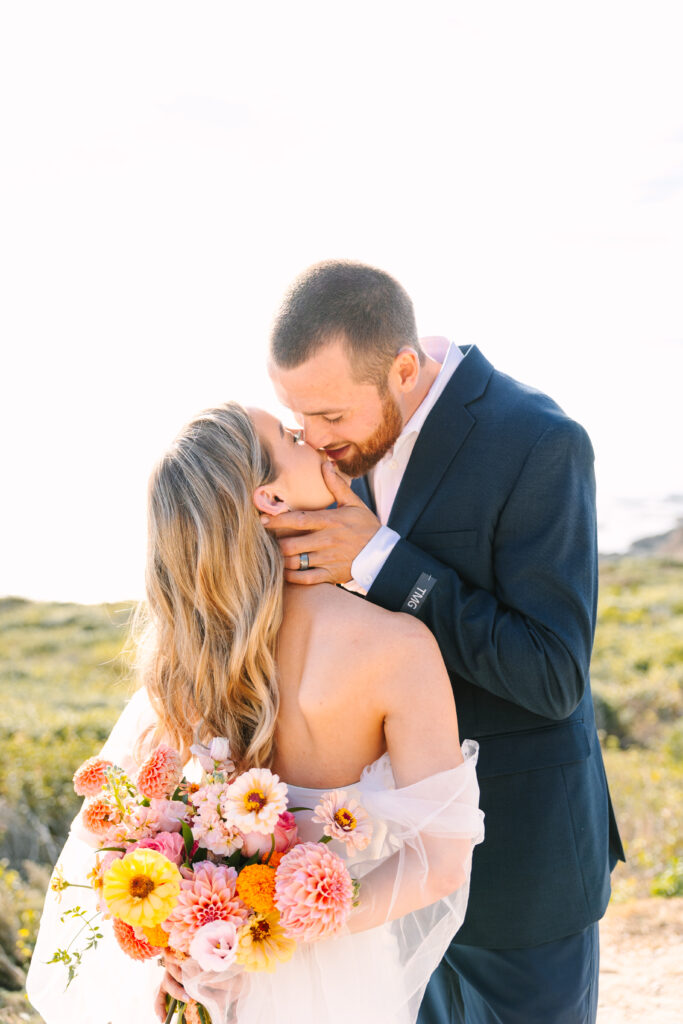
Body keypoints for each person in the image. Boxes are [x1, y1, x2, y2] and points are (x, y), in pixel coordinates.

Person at [26, 402, 484, 1024]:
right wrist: (287, 929)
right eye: (295, 437)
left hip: (202, 978)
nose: (320, 443)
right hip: (331, 982)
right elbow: (442, 861)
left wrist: (192, 943)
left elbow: (123, 838)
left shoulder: (182, 660)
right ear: (268, 499)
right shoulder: (396, 648)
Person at [264, 259, 625, 1024]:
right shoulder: (331, 449)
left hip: (521, 865)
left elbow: (553, 674)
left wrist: (381, 562)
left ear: (402, 369)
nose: (316, 441)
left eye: (331, 417)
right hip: (388, 868)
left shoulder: (538, 442)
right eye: (300, 419)